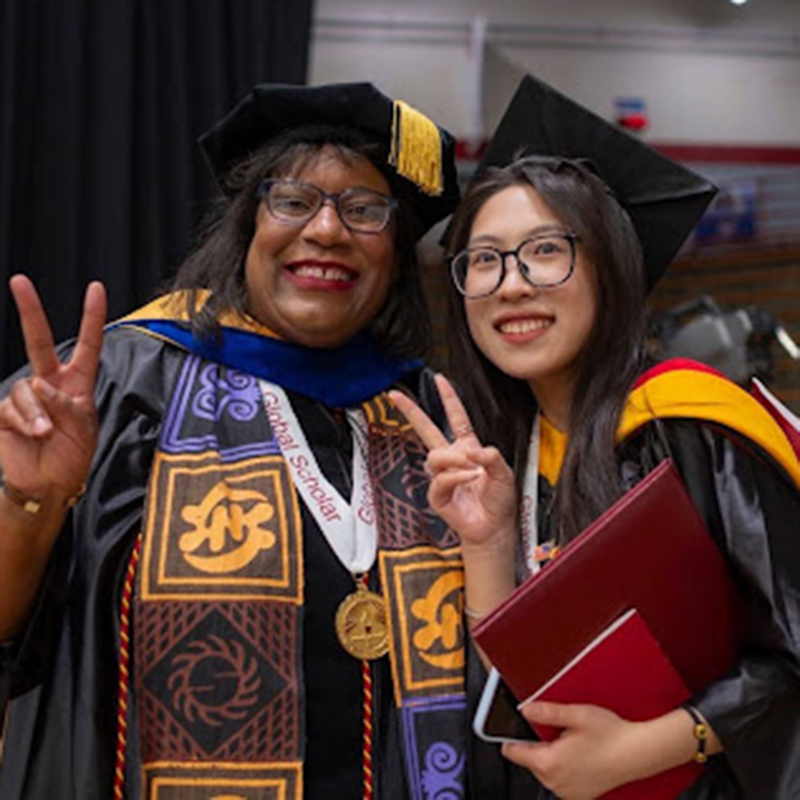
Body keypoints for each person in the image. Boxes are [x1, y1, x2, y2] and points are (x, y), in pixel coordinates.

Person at [0, 82, 474, 799]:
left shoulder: (425, 420)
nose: (326, 231)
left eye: (365, 210)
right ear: (248, 226)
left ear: (398, 255)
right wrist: (27, 504)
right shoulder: (119, 392)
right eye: (292, 200)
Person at [390, 74, 800, 799]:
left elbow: (790, 653)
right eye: (483, 260)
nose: (510, 285)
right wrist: (485, 549)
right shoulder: (506, 452)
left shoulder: (691, 424)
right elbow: (517, 684)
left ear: (610, 268)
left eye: (545, 250)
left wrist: (646, 749)